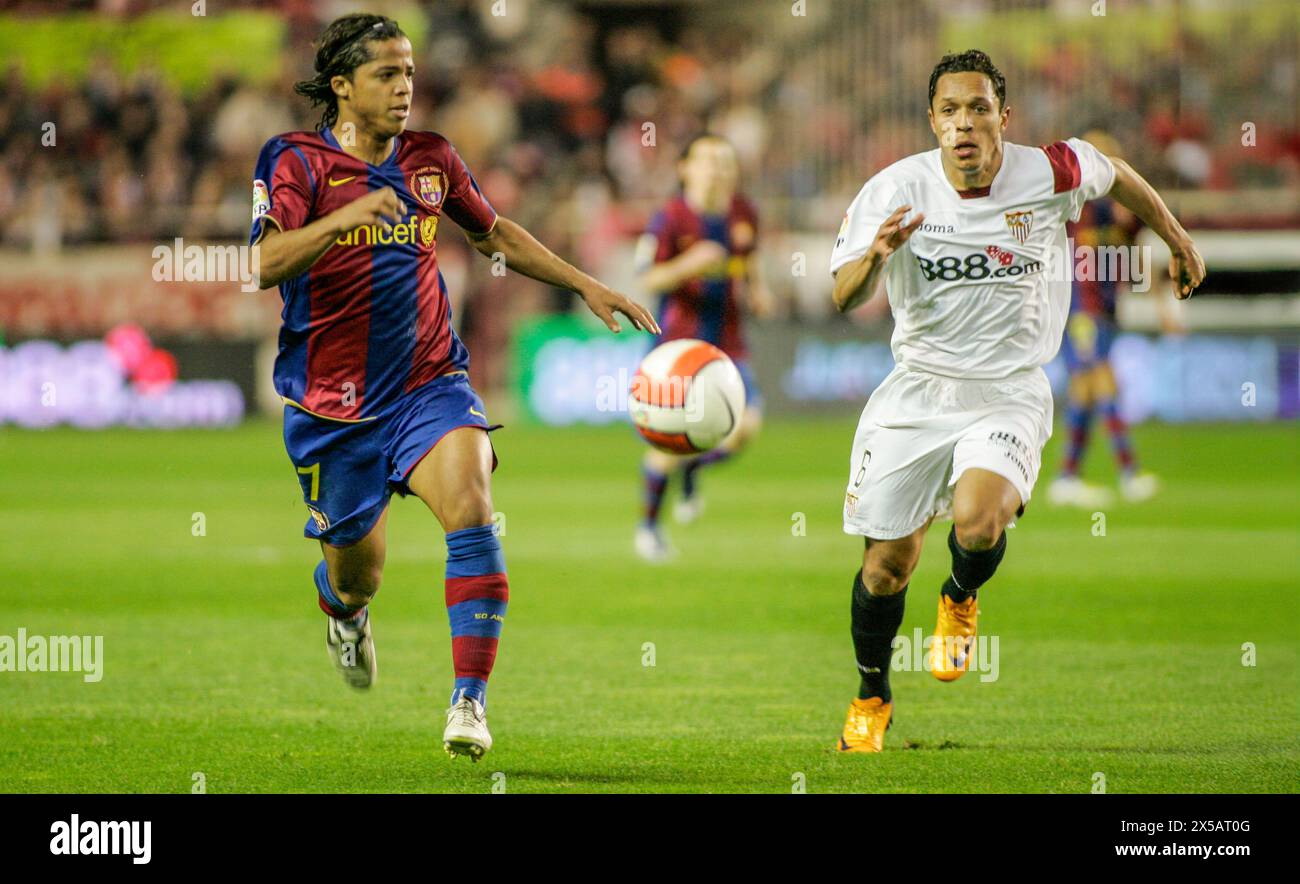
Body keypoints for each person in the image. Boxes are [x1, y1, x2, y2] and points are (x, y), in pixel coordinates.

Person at [250, 13, 658, 761]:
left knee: (473, 511)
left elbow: (493, 232)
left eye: (409, 72)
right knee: (358, 574)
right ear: (341, 86)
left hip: (428, 381)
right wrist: (344, 223)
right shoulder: (295, 162)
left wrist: (588, 285)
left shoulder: (430, 158)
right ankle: (343, 612)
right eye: (385, 74)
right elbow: (267, 261)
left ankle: (469, 700)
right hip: (330, 404)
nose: (404, 88)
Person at [828, 50, 1204, 752]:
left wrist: (1175, 237)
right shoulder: (893, 189)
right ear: (932, 121)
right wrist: (875, 256)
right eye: (949, 110)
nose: (963, 123)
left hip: (1008, 391)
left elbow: (1117, 175)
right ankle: (872, 693)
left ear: (1004, 116)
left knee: (977, 522)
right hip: (915, 392)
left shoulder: (1050, 170)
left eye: (977, 108)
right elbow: (841, 293)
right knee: (884, 569)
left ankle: (961, 594)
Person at [631, 134, 770, 562]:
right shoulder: (669, 218)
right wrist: (689, 264)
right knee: (666, 444)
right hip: (678, 344)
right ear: (685, 169)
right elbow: (646, 278)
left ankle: (694, 467)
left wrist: (759, 290)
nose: (717, 168)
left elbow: (749, 262)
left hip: (728, 342)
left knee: (746, 427)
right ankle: (649, 528)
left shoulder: (744, 214)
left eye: (725, 161)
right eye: (707, 160)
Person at [1047, 130, 1170, 508]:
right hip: (1081, 310)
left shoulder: (1115, 213)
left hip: (1103, 310)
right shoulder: (1074, 208)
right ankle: (1129, 472)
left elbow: (1137, 255)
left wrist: (1164, 308)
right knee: (1103, 381)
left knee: (1084, 391)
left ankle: (1067, 478)